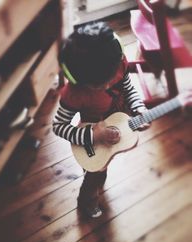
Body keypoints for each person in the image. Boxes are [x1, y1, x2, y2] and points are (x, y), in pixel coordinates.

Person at [52, 21, 149, 218]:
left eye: (110, 79)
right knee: (95, 174)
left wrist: (138, 106)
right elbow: (58, 126)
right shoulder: (74, 93)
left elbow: (129, 89)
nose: (107, 85)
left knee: (102, 169)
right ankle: (87, 199)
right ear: (76, 78)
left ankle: (98, 179)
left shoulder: (119, 65)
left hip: (117, 126)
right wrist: (93, 134)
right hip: (90, 141)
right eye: (98, 85)